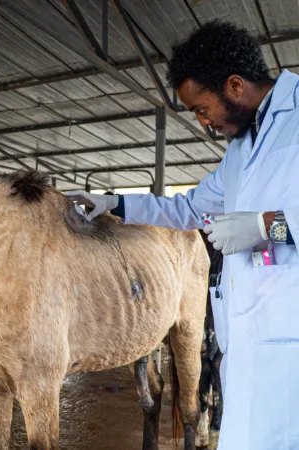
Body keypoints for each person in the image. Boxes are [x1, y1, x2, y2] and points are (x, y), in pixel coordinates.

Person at [66, 20, 299, 450]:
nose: (203, 122)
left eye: (201, 108)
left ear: (234, 85)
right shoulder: (240, 150)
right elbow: (187, 208)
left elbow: (279, 225)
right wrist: (115, 203)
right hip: (247, 351)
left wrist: (267, 227)